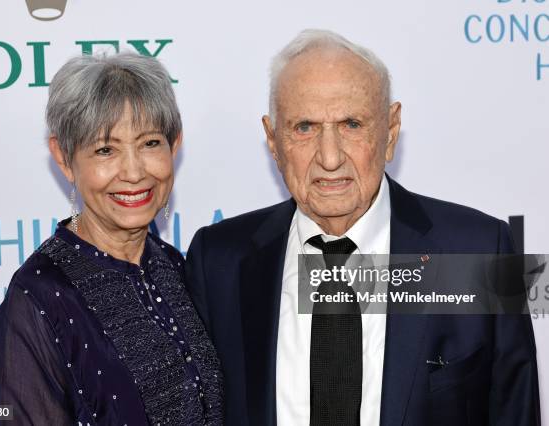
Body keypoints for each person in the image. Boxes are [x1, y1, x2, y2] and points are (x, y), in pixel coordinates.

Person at [185, 29, 540, 426]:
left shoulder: (479, 250)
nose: (330, 157)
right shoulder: (219, 261)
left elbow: (515, 410)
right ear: (273, 139)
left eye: (352, 124)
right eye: (304, 127)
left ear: (390, 131)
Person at [0, 52, 223, 425]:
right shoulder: (37, 301)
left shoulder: (177, 266)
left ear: (174, 146)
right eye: (105, 150)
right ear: (64, 158)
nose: (133, 172)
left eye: (149, 143)